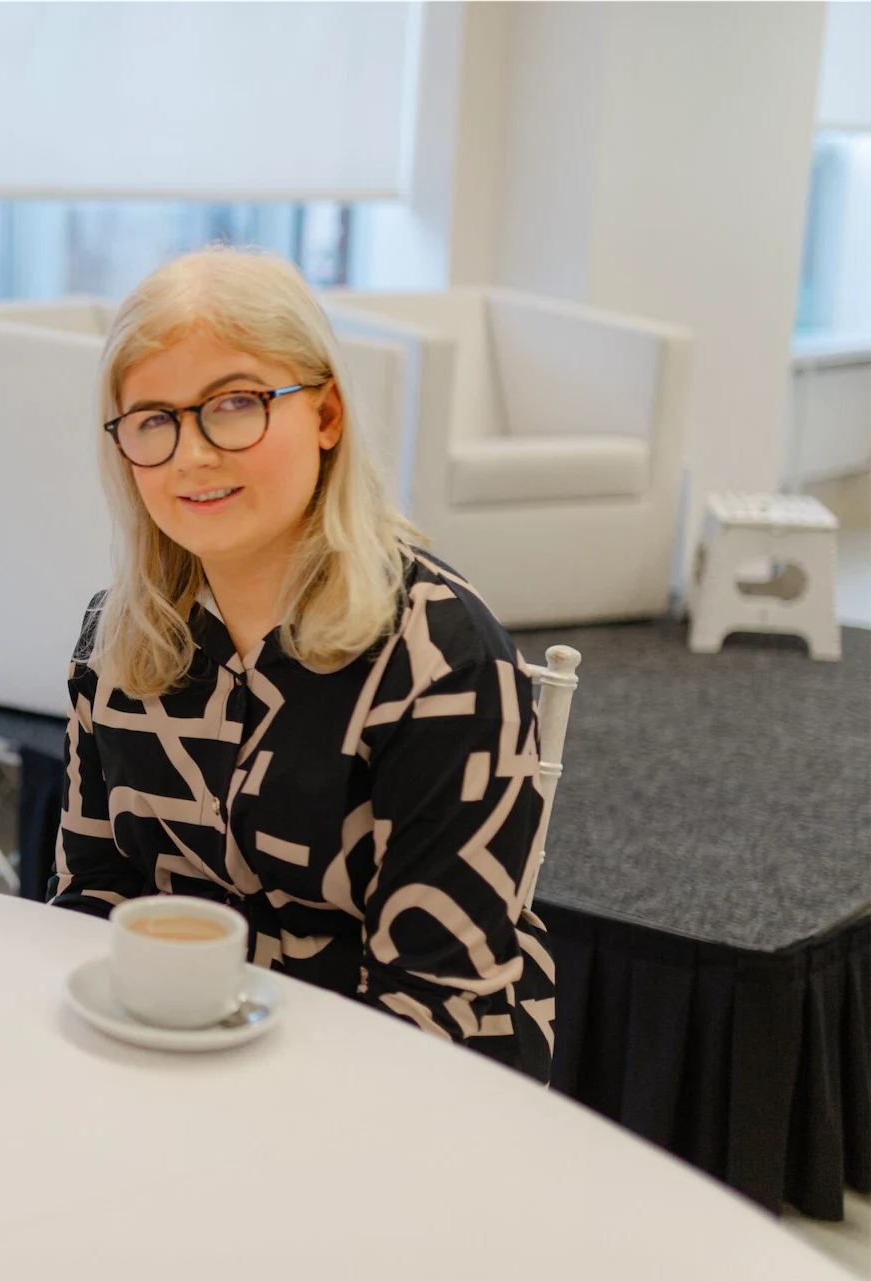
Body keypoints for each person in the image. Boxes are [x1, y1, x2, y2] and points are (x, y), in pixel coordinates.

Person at [52, 248, 554, 1079]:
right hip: (171, 1058)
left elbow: (437, 1001)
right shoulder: (118, 639)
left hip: (398, 1093)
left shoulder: (440, 657)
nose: (192, 454)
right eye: (153, 419)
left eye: (235, 404)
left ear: (326, 416)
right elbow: (89, 909)